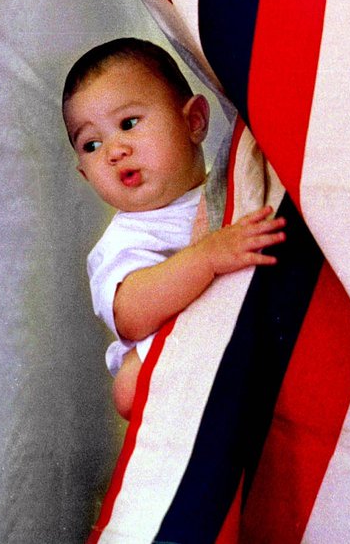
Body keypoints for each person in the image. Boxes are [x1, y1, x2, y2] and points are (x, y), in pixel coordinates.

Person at [62, 38, 286, 419]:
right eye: (92, 145)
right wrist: (208, 258)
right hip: (186, 374)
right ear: (85, 175)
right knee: (130, 383)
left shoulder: (234, 185)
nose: (114, 151)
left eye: (128, 124)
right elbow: (130, 313)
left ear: (193, 121)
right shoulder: (123, 240)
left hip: (249, 341)